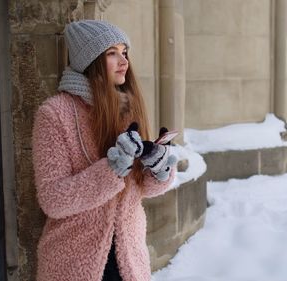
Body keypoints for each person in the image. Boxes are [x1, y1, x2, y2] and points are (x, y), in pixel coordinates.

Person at [32, 20, 177, 281]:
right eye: (112, 53)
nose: (124, 61)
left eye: (124, 52)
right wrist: (111, 170)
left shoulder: (126, 108)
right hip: (74, 263)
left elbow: (140, 187)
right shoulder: (55, 114)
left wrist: (160, 170)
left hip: (129, 259)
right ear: (91, 60)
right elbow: (52, 199)